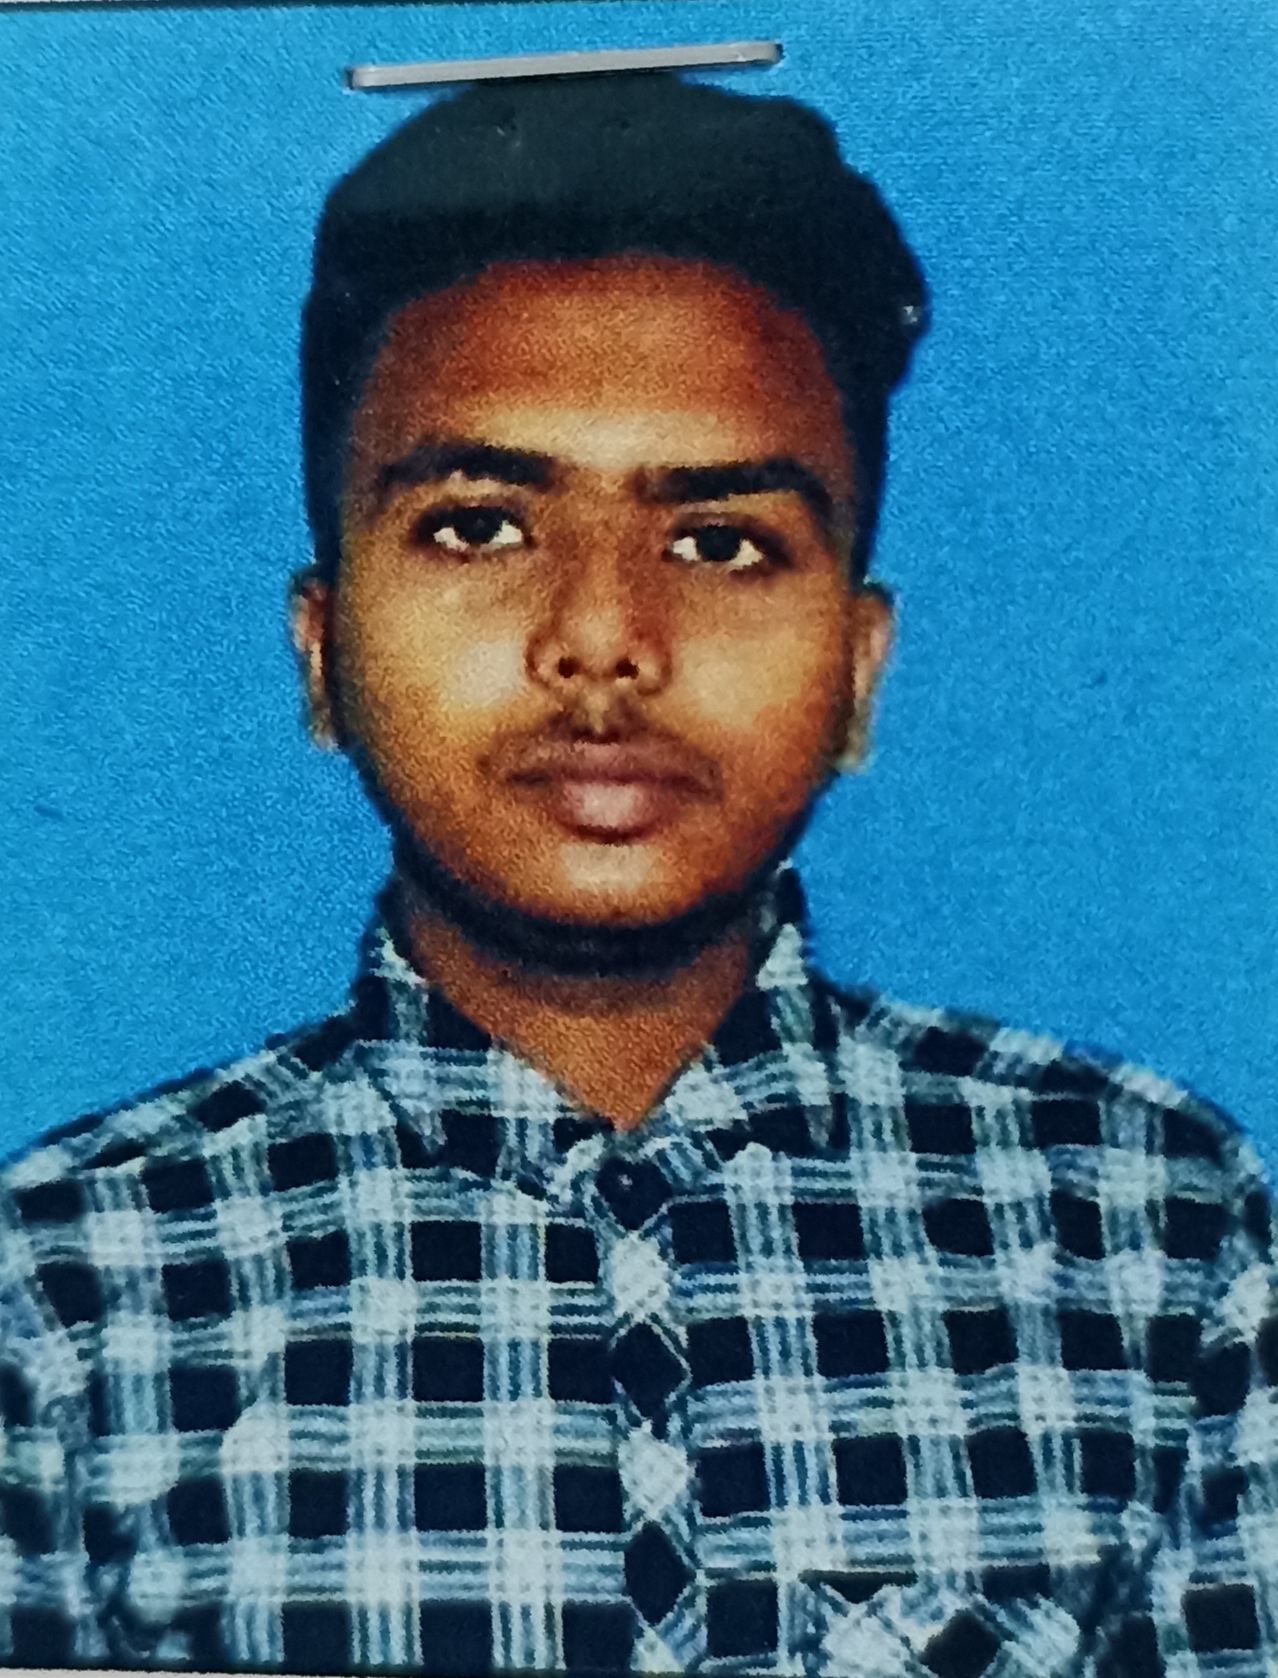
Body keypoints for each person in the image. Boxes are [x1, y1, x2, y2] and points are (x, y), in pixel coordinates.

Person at [0, 70, 1273, 1678]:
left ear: (858, 669)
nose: (602, 639)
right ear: (320, 653)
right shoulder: (69, 1284)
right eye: (478, 526)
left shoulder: (1146, 1226)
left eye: (720, 541)